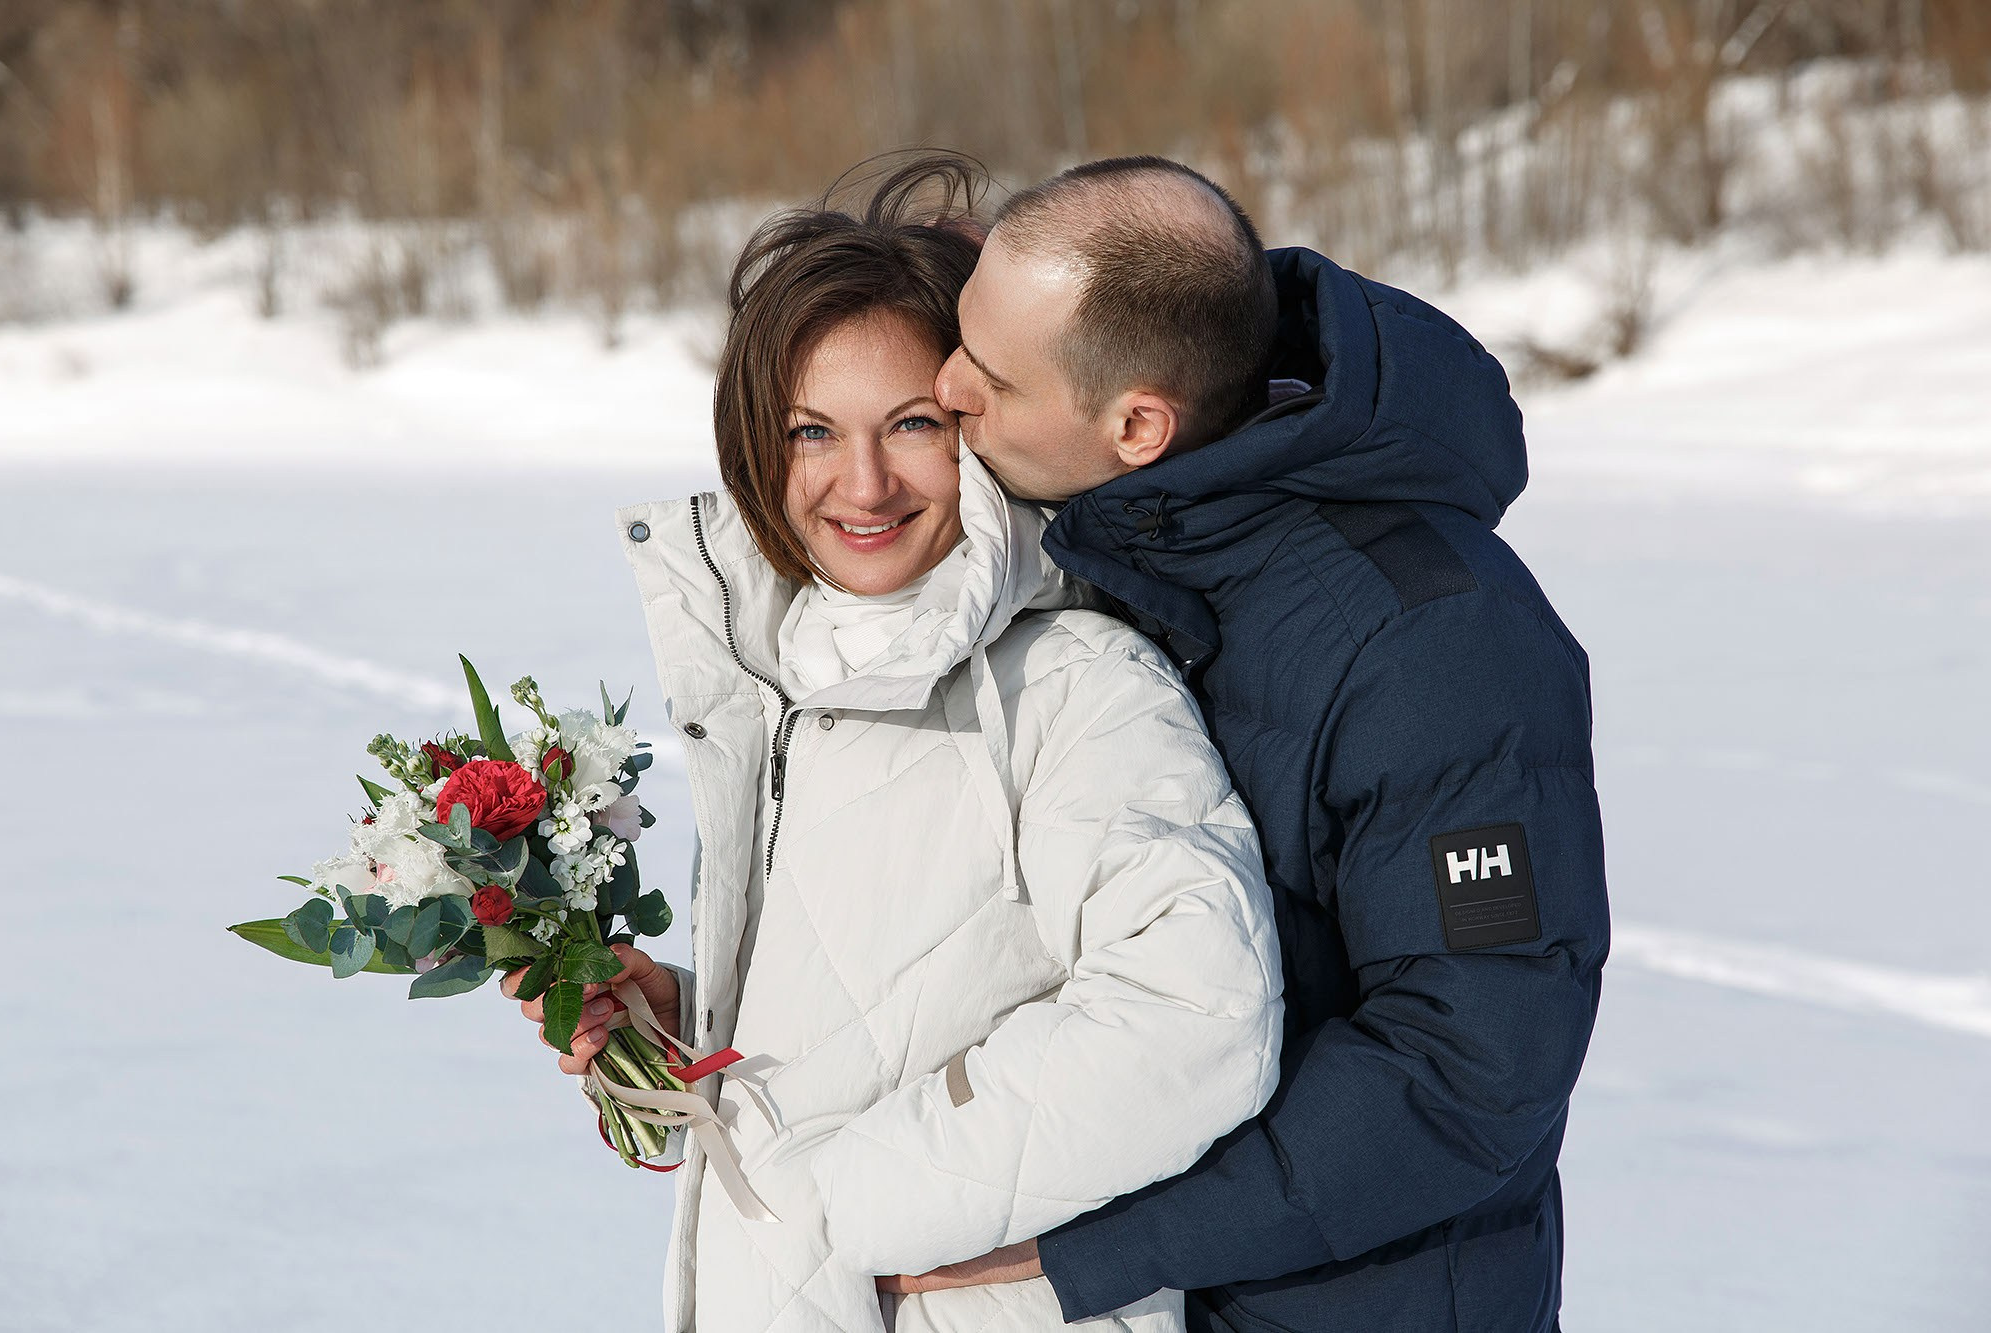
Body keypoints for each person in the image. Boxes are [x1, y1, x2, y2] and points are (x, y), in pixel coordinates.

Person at [506, 156, 1285, 1332]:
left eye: (909, 423)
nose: (859, 481)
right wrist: (683, 1022)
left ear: (974, 420)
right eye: (811, 429)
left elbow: (1195, 1020)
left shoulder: (1073, 679)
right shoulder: (783, 683)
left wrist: (832, 1204)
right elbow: (883, 996)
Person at [887, 157, 1611, 1331]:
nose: (945, 384)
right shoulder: (1094, 546)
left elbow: (1470, 1069)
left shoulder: (1435, 646)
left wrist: (1107, 1246)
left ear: (1136, 422)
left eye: (989, 374)